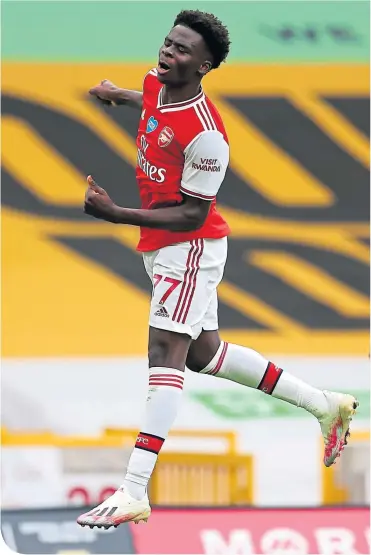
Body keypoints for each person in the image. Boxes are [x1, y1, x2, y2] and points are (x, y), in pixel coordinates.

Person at [77, 10, 358, 530]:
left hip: (189, 247)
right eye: (167, 42)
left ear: (204, 66)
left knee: (166, 354)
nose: (168, 53)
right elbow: (156, 109)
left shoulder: (208, 137)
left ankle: (133, 488)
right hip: (160, 246)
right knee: (207, 355)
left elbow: (193, 214)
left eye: (182, 51)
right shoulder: (154, 85)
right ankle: (324, 404)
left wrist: (115, 214)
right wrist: (121, 94)